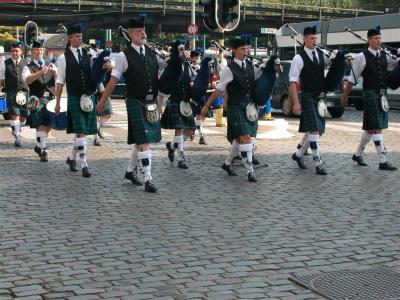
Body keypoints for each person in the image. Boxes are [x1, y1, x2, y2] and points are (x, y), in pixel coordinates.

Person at [97, 16, 164, 192]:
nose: (142, 33)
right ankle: (148, 178)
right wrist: (102, 101)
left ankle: (129, 171)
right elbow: (112, 81)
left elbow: (164, 73)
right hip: (135, 101)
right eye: (138, 31)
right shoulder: (122, 56)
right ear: (130, 34)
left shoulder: (152, 53)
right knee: (144, 139)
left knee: (141, 140)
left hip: (151, 102)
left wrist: (177, 59)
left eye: (143, 30)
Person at [200, 37, 262, 182]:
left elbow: (263, 80)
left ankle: (227, 164)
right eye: (242, 49)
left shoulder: (253, 65)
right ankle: (250, 171)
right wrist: (206, 106)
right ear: (234, 50)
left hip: (250, 106)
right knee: (246, 137)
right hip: (236, 106)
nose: (246, 52)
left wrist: (274, 69)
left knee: (241, 139)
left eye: (247, 49)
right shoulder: (228, 69)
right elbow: (219, 90)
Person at [341, 26, 399, 171]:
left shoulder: (385, 55)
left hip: (382, 94)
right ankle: (382, 160)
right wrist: (345, 96)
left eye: (380, 38)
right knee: (377, 127)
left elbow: (396, 65)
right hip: (370, 94)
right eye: (375, 38)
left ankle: (357, 154)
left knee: (370, 129)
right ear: (369, 40)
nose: (378, 40)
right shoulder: (361, 57)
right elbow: (352, 78)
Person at [55, 24, 105, 177]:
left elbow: (97, 71)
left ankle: (71, 158)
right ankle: (84, 164)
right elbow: (60, 81)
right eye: (77, 36)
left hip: (88, 96)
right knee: (81, 131)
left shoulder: (89, 52)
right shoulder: (63, 58)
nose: (80, 38)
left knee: (80, 132)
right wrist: (57, 103)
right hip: (74, 97)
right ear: (70, 38)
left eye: (81, 36)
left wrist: (106, 66)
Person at [290, 26, 331, 175]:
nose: (314, 41)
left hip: (319, 97)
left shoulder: (321, 54)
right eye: (311, 38)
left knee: (319, 131)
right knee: (314, 130)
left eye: (315, 38)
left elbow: (332, 67)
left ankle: (299, 154)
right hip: (307, 96)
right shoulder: (298, 58)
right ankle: (318, 163)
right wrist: (295, 102)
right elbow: (293, 82)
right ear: (304, 39)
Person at [22, 40, 57, 161]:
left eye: (41, 50)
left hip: (51, 98)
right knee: (41, 125)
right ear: (32, 52)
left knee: (49, 126)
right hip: (37, 98)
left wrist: (54, 71)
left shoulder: (50, 63)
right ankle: (43, 150)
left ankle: (38, 146)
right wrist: (40, 72)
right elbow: (27, 80)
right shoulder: (28, 66)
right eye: (37, 50)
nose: (39, 51)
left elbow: (60, 76)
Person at [162, 44, 195, 169]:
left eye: (185, 50)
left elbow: (193, 79)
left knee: (190, 130)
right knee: (179, 129)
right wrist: (160, 103)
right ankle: (181, 158)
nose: (184, 52)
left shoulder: (187, 65)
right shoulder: (171, 65)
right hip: (175, 100)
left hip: (186, 101)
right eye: (181, 50)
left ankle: (171, 146)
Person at [0, 42, 29, 147]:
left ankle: (17, 129)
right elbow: (1, 79)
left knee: (24, 116)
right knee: (15, 115)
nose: (14, 53)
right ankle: (17, 137)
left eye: (16, 51)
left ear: (21, 51)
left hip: (24, 91)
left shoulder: (27, 62)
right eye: (12, 51)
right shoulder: (4, 63)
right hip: (11, 91)